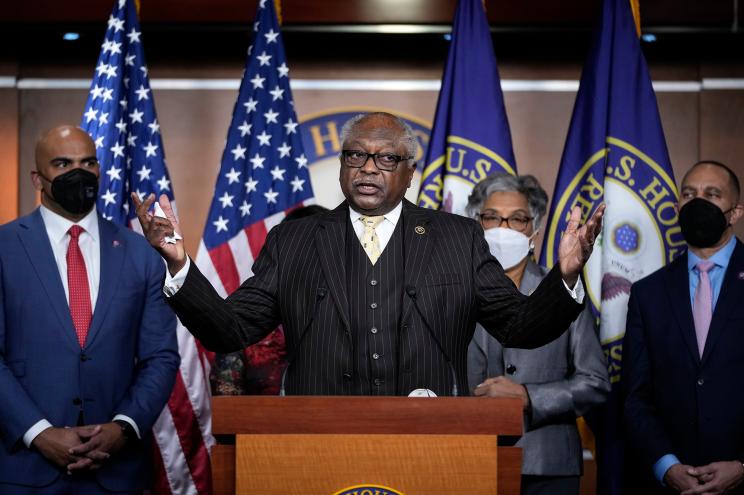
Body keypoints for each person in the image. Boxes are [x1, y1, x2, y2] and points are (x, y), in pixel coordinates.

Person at [134, 111, 604, 397]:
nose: (369, 169)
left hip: (431, 438)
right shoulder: (295, 240)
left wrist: (565, 274)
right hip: (319, 440)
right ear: (342, 165)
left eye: (386, 158)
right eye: (356, 156)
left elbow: (520, 325)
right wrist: (179, 265)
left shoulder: (457, 238)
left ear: (409, 171)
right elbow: (230, 327)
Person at [0, 126, 179, 494]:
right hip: (26, 471)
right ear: (38, 178)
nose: (77, 173)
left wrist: (122, 427)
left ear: (99, 171)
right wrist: (40, 433)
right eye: (63, 163)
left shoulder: (142, 252)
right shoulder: (3, 247)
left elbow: (160, 357)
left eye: (88, 163)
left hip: (117, 472)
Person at [465, 173, 610, 495]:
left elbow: (595, 383)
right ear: (475, 223)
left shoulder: (564, 289)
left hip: (548, 463)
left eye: (517, 219)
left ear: (534, 231)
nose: (503, 228)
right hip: (468, 457)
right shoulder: (451, 291)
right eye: (491, 217)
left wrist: (530, 397)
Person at [623, 160, 744, 495]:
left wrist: (742, 466)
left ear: (735, 212)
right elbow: (636, 397)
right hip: (669, 482)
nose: (698, 202)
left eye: (712, 194)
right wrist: (666, 465)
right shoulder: (648, 293)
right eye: (689, 194)